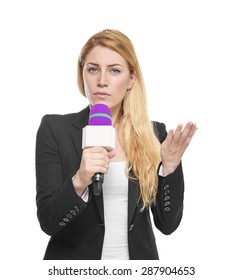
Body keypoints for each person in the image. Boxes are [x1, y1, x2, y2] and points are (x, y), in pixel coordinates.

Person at [35, 29, 197, 260]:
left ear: (131, 79)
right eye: (93, 69)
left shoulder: (153, 133)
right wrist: (80, 180)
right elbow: (48, 222)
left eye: (114, 70)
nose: (102, 81)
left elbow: (167, 225)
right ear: (82, 75)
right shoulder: (55, 129)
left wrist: (169, 166)